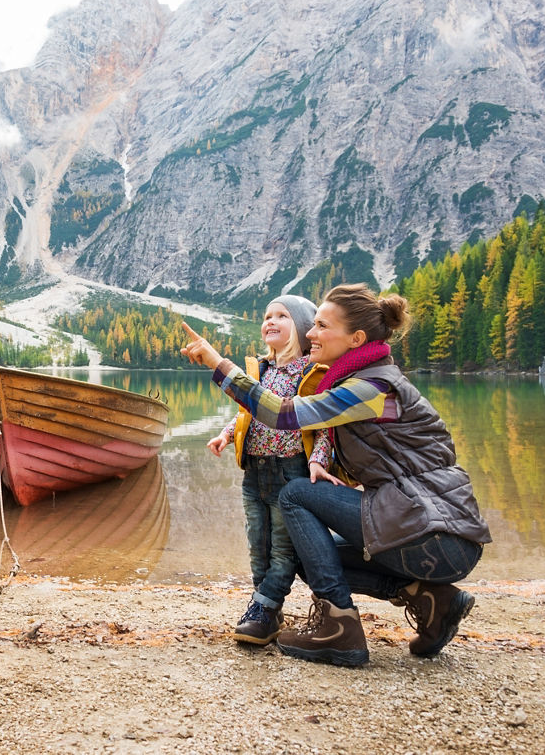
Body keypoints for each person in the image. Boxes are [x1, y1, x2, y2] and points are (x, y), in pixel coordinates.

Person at [180, 283, 491, 667]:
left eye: (322, 326)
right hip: (429, 531)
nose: (310, 332)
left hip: (437, 535)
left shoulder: (372, 387)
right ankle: (430, 598)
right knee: (302, 557)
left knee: (294, 494)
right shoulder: (358, 380)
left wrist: (217, 362)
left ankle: (339, 627)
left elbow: (281, 415)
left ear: (356, 338)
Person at [205, 295, 334, 645]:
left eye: (282, 316)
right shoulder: (261, 369)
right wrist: (226, 435)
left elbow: (325, 427)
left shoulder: (311, 373)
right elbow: (247, 411)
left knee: (282, 549)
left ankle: (263, 608)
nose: (270, 321)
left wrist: (317, 461)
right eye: (266, 316)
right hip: (254, 472)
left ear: (304, 327)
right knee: (256, 546)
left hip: (289, 472)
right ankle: (267, 610)